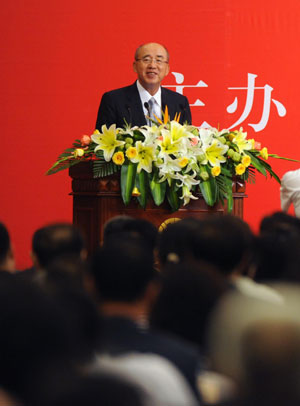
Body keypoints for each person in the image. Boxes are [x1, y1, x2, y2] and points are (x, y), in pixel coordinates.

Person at [95, 42, 192, 129]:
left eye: (159, 60)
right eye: (146, 60)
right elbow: (101, 140)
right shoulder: (114, 100)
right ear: (135, 66)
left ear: (167, 69)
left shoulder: (179, 102)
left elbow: (187, 143)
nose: (152, 66)